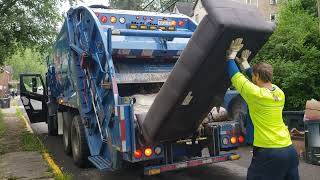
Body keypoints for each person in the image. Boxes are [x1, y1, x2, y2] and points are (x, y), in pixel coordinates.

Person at [226, 38, 300, 180]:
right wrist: (246, 64)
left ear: (258, 76)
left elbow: (235, 76)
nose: (252, 77)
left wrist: (230, 57)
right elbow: (258, 83)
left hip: (269, 153)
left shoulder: (256, 95)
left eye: (254, 75)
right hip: (289, 151)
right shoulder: (279, 92)